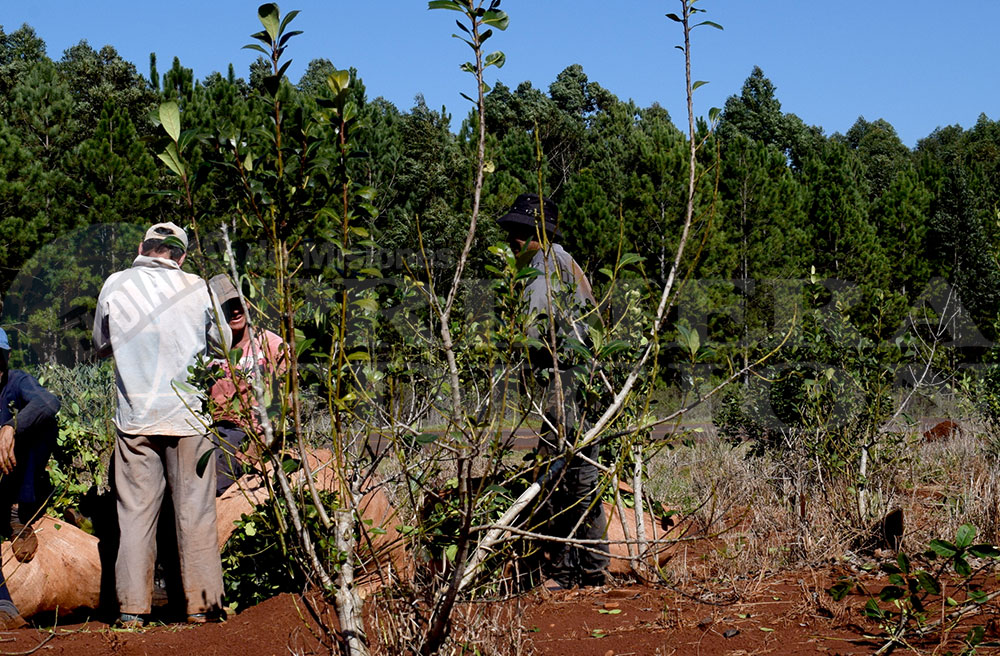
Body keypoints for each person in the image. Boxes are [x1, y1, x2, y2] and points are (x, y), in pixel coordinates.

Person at [93, 222, 231, 627]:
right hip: (189, 417)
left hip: (136, 418)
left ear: (143, 248)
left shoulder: (115, 284)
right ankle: (203, 608)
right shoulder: (197, 287)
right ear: (181, 256)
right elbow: (223, 344)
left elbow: (102, 343)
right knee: (196, 514)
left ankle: (132, 610)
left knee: (135, 514)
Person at [496, 193, 610, 590]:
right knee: (582, 477)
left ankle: (564, 573)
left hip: (565, 383)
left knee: (559, 477)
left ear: (535, 235)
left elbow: (534, 335)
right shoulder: (567, 262)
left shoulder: (540, 274)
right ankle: (592, 571)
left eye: (519, 232)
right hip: (589, 378)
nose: (512, 240)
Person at [0, 327, 60, 627]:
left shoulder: (16, 381)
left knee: (44, 424)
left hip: (13, 480)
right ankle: (3, 602)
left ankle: (18, 513)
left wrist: (11, 425)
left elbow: (49, 403)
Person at [206, 274, 285, 495]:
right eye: (227, 306)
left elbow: (286, 402)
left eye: (238, 303)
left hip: (249, 432)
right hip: (213, 430)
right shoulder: (209, 351)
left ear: (248, 303)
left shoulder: (270, 345)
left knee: (215, 475)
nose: (235, 311)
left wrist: (257, 444)